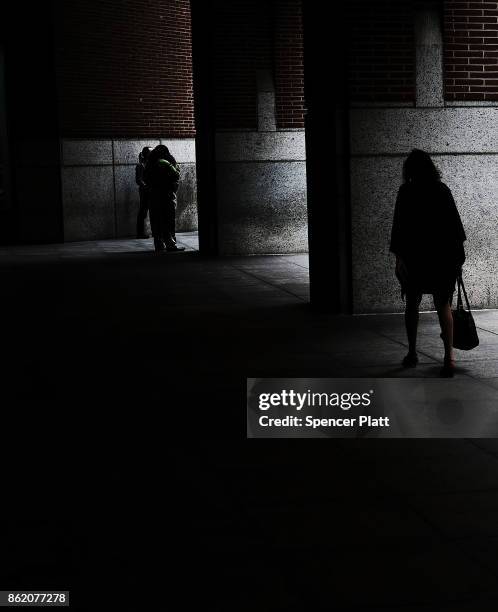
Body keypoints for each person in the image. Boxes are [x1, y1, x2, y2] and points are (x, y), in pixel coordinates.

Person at [389, 149, 466, 378]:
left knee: (412, 304)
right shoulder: (442, 190)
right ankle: (449, 357)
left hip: (416, 258)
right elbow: (455, 229)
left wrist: (399, 259)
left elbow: (399, 229)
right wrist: (457, 260)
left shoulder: (406, 192)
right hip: (442, 258)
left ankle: (412, 353)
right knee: (443, 305)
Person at [144, 145, 185, 252]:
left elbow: (146, 179)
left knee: (156, 220)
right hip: (167, 195)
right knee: (169, 220)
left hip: (154, 196)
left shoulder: (150, 163)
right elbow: (176, 176)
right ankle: (171, 244)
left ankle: (159, 244)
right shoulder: (168, 160)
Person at [135, 147, 151, 239]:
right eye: (150, 152)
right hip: (145, 191)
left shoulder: (147, 164)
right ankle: (140, 233)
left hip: (148, 190)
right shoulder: (140, 165)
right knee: (143, 211)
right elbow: (138, 180)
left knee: (144, 211)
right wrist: (146, 186)